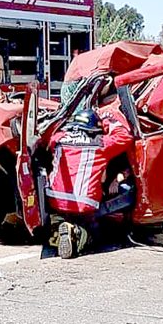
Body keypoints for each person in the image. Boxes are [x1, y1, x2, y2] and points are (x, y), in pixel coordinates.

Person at [46, 107, 134, 259]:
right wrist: (107, 120)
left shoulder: (58, 139)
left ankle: (59, 226)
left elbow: (49, 134)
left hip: (56, 201)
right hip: (84, 204)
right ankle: (79, 235)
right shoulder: (100, 144)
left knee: (63, 216)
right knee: (97, 236)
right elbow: (125, 137)